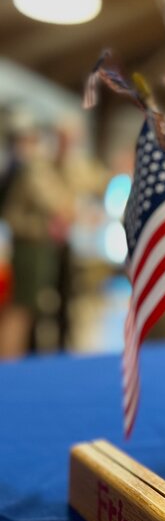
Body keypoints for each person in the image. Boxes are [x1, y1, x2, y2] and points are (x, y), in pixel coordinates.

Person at [0, 122, 75, 357]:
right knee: (21, 307)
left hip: (34, 245)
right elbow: (56, 203)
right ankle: (9, 361)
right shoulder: (35, 167)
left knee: (26, 307)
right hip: (29, 245)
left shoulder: (45, 166)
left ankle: (12, 359)